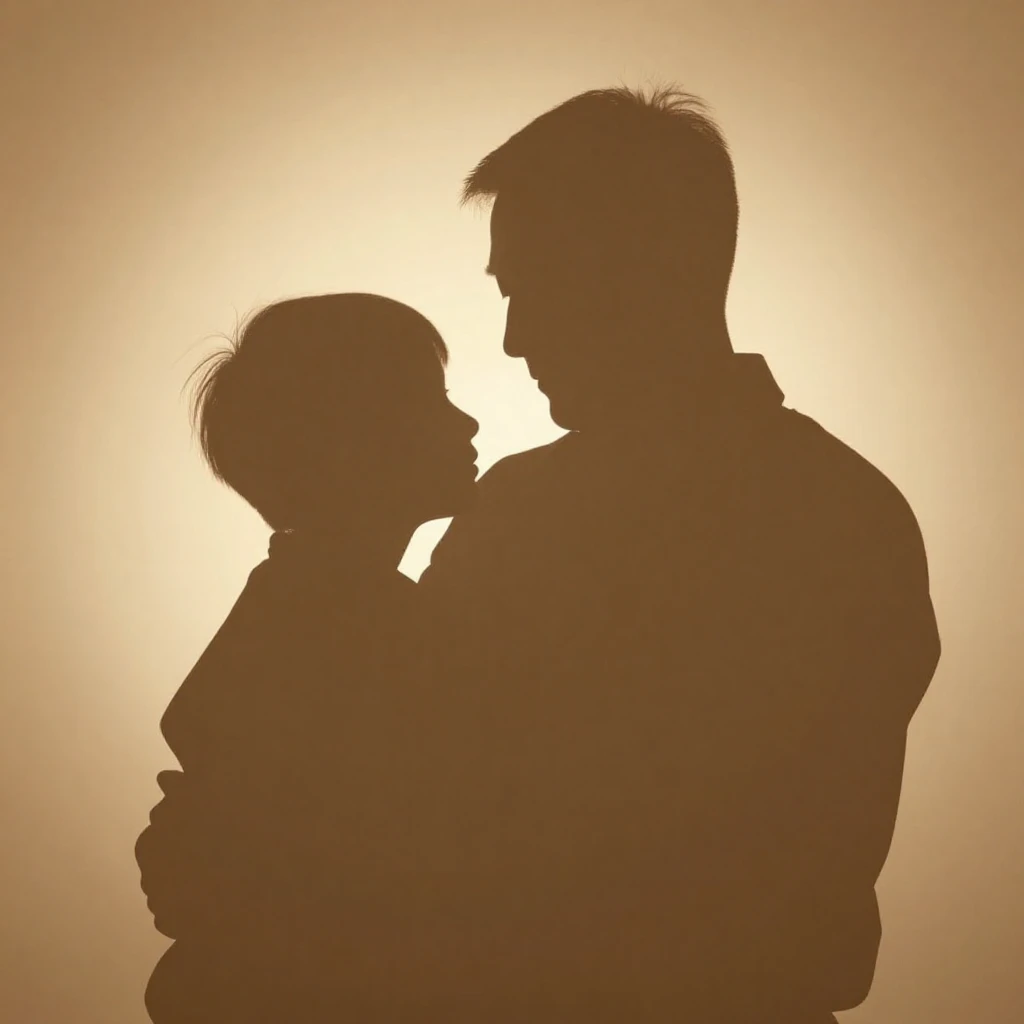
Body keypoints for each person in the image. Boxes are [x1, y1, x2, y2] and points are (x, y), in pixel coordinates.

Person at [418, 85, 942, 1023]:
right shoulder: (851, 510)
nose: (513, 338)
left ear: (643, 274)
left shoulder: (528, 516)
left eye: (532, 289)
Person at [135, 293, 482, 1023]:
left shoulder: (306, 602)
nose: (468, 423)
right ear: (356, 443)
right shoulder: (345, 623)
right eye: (432, 403)